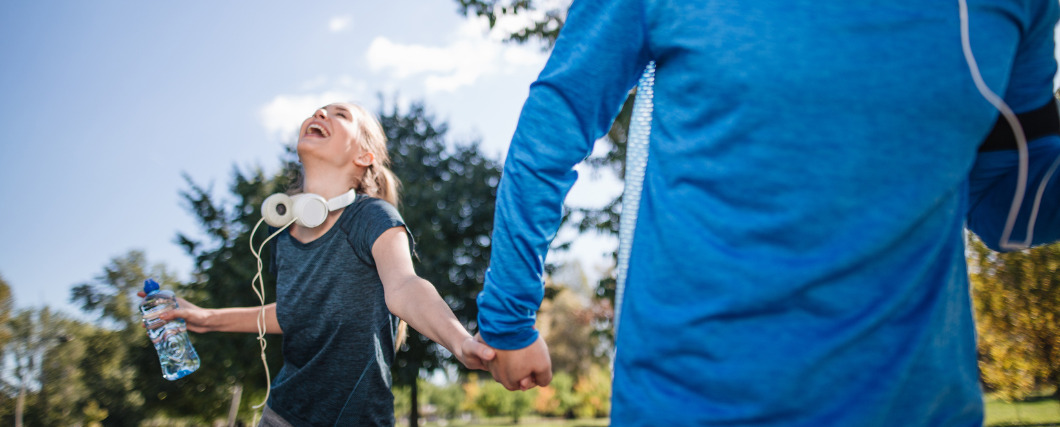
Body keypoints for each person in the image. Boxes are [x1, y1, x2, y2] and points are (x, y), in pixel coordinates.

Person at [474, 0, 1060, 425]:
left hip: (916, 404)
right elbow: (554, 128)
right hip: (694, 404)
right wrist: (508, 316)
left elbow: (1008, 209)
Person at [146, 102, 496, 426]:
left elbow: (404, 286)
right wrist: (203, 319)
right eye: (318, 110)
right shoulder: (280, 236)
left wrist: (459, 341)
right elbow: (293, 313)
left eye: (340, 114)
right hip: (281, 415)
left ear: (363, 155)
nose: (320, 113)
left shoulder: (370, 216)